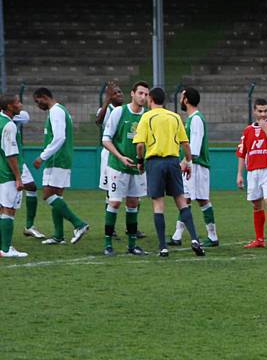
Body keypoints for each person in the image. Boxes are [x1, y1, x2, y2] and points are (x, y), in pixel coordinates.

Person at [133, 87, 205, 257]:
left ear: (150, 99)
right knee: (181, 200)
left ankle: (163, 247)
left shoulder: (146, 117)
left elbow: (140, 145)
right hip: (173, 162)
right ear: (164, 101)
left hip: (155, 162)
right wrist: (188, 161)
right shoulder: (175, 117)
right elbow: (185, 144)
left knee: (158, 204)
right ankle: (195, 238)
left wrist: (140, 161)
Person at [33, 88, 90, 245]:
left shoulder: (55, 111)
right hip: (63, 159)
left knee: (48, 195)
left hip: (56, 160)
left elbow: (59, 137)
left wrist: (42, 156)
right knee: (57, 196)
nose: (38, 105)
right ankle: (58, 235)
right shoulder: (61, 110)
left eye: (38, 102)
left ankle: (79, 224)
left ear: (44, 97)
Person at [101, 82, 150, 256]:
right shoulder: (119, 112)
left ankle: (132, 245)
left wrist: (143, 161)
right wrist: (121, 157)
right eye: (140, 93)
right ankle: (108, 244)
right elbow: (106, 139)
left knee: (133, 204)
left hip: (137, 169)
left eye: (146, 94)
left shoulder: (148, 116)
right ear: (132, 94)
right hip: (117, 166)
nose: (143, 97)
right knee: (114, 202)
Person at [169, 87, 219, 248]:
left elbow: (195, 147)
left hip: (196, 166)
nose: (180, 100)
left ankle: (210, 236)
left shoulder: (196, 119)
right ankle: (180, 235)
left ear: (186, 100)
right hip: (194, 165)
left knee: (192, 199)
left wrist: (185, 162)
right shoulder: (192, 119)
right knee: (191, 198)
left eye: (182, 97)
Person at [236, 98, 267, 249]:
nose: (263, 114)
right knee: (256, 205)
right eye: (260, 111)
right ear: (254, 111)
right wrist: (239, 174)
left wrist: (266, 129)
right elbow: (242, 153)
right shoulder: (247, 130)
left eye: (266, 111)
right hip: (253, 172)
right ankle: (259, 240)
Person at [0, 95, 28, 257]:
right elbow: (10, 154)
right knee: (9, 210)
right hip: (7, 174)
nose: (21, 104)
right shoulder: (9, 126)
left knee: (1, 209)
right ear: (10, 106)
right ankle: (6, 249)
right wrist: (18, 177)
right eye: (17, 102)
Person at [12, 109, 44, 239]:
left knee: (31, 187)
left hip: (17, 159)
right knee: (7, 203)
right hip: (8, 160)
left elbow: (25, 116)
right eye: (17, 104)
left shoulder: (14, 121)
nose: (20, 106)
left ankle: (29, 227)